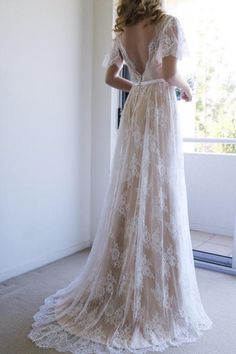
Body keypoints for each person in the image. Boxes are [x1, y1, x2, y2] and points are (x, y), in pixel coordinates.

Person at [27, 1, 213, 353]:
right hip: (159, 107)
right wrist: (185, 89)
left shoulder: (123, 30)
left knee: (131, 185)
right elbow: (171, 72)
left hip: (138, 107)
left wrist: (138, 88)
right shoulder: (168, 24)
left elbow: (110, 77)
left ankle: (127, 270)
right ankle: (154, 288)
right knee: (161, 186)